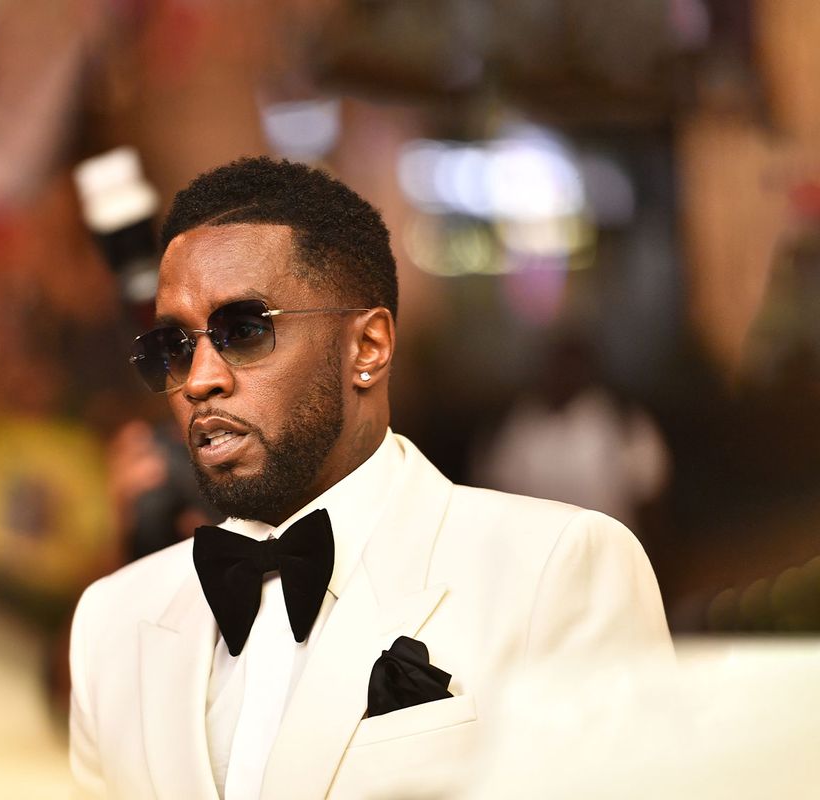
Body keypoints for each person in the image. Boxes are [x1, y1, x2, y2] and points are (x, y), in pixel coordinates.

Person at [68, 157, 672, 800]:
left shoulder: (556, 570)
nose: (199, 380)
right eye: (176, 346)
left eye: (243, 330)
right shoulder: (112, 619)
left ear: (369, 347)